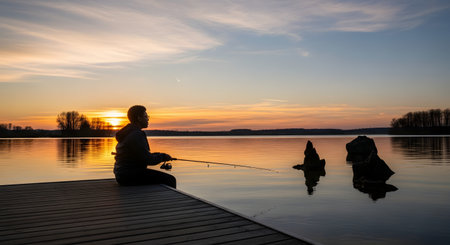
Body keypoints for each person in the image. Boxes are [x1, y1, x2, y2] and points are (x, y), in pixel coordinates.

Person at [113, 105, 176, 188]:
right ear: (139, 118)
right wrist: (163, 157)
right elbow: (148, 160)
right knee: (170, 180)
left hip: (121, 174)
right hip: (129, 175)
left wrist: (161, 155)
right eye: (146, 116)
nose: (148, 119)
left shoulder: (128, 132)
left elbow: (143, 155)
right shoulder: (137, 134)